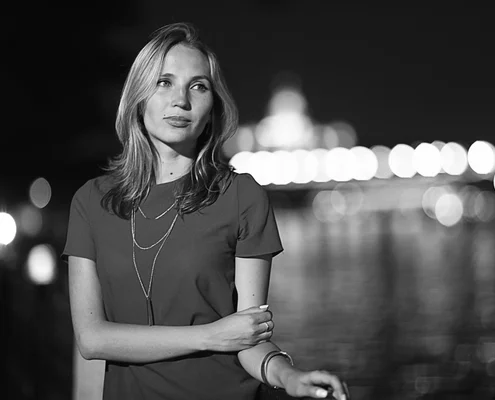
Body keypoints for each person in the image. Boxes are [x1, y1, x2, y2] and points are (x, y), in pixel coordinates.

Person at [62, 22, 350, 400]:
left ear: (213, 105)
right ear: (137, 95)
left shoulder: (242, 196)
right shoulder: (91, 202)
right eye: (164, 82)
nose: (180, 100)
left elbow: (248, 338)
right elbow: (91, 339)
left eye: (198, 86)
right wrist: (212, 335)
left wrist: (289, 376)